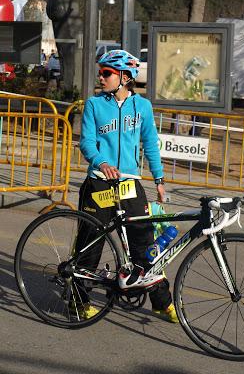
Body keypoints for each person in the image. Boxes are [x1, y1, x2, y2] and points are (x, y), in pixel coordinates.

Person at [76, 49, 178, 323]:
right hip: (99, 184)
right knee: (90, 244)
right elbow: (86, 142)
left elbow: (151, 146)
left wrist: (159, 180)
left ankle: (161, 302)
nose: (101, 76)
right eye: (101, 71)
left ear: (124, 77)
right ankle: (78, 302)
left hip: (130, 184)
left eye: (106, 73)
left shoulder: (142, 107)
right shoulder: (94, 105)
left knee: (144, 244)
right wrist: (101, 161)